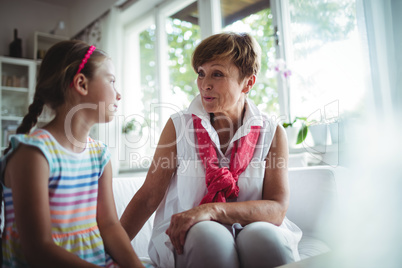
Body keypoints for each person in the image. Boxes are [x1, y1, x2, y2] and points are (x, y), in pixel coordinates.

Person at [121, 32, 302, 268]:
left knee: (265, 238)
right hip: (191, 233)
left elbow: (276, 208)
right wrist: (107, 251)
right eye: (201, 73)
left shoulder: (272, 131)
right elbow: (148, 197)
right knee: (209, 237)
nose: (205, 84)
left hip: (253, 226)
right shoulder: (179, 126)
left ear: (248, 82)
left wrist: (213, 210)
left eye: (217, 74)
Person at [0, 40, 144, 268]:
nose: (119, 95)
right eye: (112, 81)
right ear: (81, 84)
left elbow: (109, 225)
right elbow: (39, 249)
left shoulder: (100, 156)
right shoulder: (34, 155)